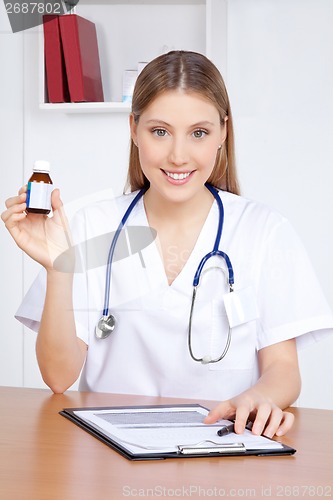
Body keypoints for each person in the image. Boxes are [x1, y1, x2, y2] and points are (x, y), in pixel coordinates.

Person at [2, 51, 333, 439]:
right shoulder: (93, 226)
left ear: (223, 132)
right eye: (160, 131)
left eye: (199, 132)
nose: (178, 156)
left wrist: (259, 397)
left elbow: (284, 370)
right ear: (133, 129)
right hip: (110, 457)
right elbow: (59, 378)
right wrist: (58, 269)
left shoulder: (264, 230)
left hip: (224, 450)